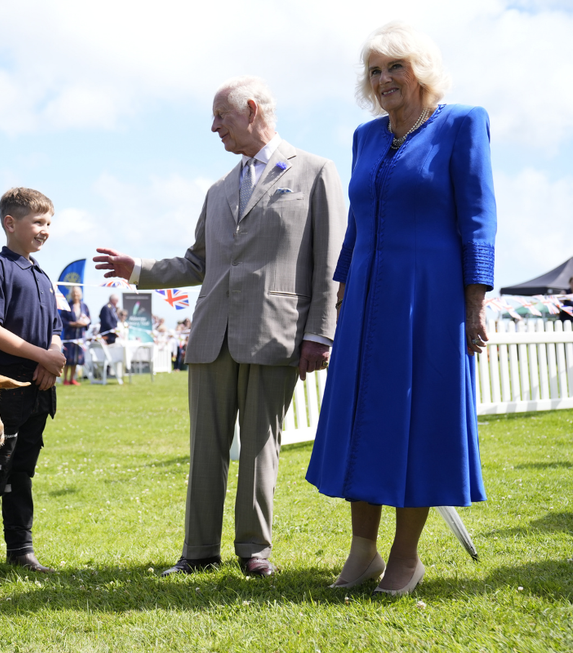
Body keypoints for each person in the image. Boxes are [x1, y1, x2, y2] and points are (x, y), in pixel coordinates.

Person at [94, 76, 345, 578]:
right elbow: (196, 261)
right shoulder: (218, 189)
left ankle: (253, 550)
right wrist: (137, 268)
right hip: (212, 337)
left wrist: (321, 333)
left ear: (251, 110)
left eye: (220, 117)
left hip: (277, 335)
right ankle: (198, 552)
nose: (214, 128)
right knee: (205, 449)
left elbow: (330, 263)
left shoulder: (317, 172)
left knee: (259, 446)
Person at [305, 22, 497, 596]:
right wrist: (341, 293)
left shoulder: (463, 123)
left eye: (396, 67)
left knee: (419, 420)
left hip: (431, 299)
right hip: (366, 297)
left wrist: (475, 303)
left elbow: (479, 220)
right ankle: (362, 551)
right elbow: (356, 227)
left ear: (422, 70)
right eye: (374, 71)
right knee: (363, 415)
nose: (384, 79)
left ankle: (405, 557)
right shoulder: (366, 136)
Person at [0, 187, 65, 583]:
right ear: (10, 223)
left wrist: (50, 361)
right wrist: (41, 357)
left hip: (41, 392)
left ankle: (21, 549)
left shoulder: (41, 274)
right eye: (38, 222)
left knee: (22, 473)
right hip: (7, 395)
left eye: (49, 224)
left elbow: (55, 330)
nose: (45, 231)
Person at [59, 286, 90, 385]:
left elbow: (89, 319)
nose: (76, 295)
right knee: (68, 358)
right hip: (70, 336)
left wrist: (84, 323)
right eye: (74, 293)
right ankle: (65, 379)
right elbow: (62, 320)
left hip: (80, 336)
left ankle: (72, 378)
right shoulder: (67, 306)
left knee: (76, 359)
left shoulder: (84, 306)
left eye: (77, 293)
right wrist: (72, 324)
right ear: (71, 294)